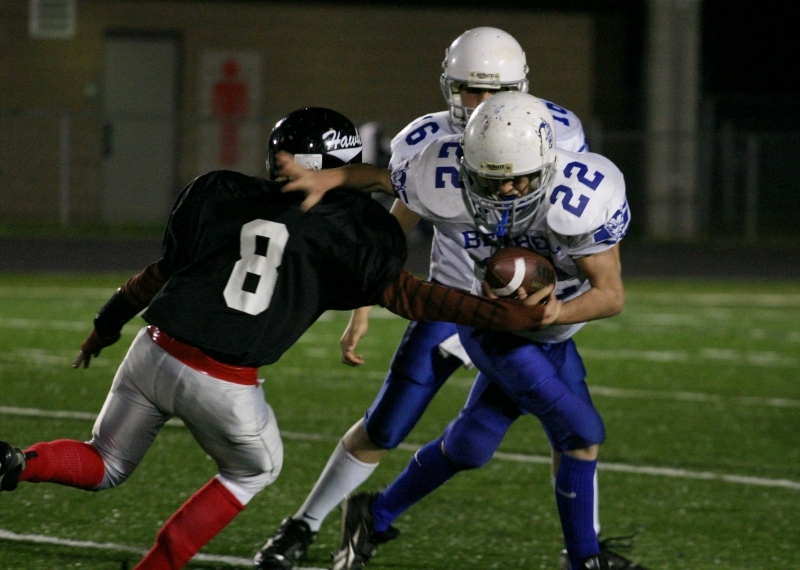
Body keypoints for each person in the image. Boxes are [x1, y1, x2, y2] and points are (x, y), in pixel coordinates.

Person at [0, 107, 555, 570]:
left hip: (151, 348)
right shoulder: (348, 230)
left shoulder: (220, 193)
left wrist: (105, 324)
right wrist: (500, 315)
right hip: (222, 381)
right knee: (254, 471)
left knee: (105, 462)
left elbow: (157, 274)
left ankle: (18, 462)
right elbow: (417, 299)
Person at [254, 27, 639, 570]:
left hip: (527, 313)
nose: (479, 102)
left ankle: (379, 517)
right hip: (454, 303)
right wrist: (363, 297)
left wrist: (555, 304)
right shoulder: (435, 158)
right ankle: (304, 524)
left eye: (493, 90)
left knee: (475, 444)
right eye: (468, 89)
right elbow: (390, 206)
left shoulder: (558, 151)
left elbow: (599, 275)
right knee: (390, 424)